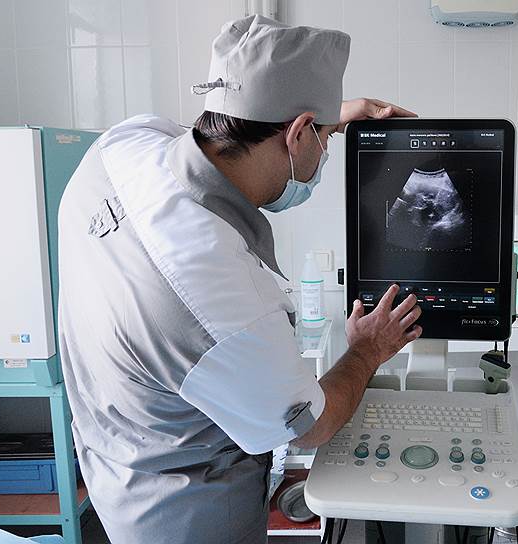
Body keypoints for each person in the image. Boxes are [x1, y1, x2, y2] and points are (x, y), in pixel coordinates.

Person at [56, 15, 420, 544]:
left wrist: (330, 114)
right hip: (187, 515)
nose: (324, 153)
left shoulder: (122, 146)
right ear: (297, 132)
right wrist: (367, 350)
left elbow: (228, 120)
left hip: (116, 461)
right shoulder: (220, 301)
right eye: (323, 140)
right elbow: (313, 426)